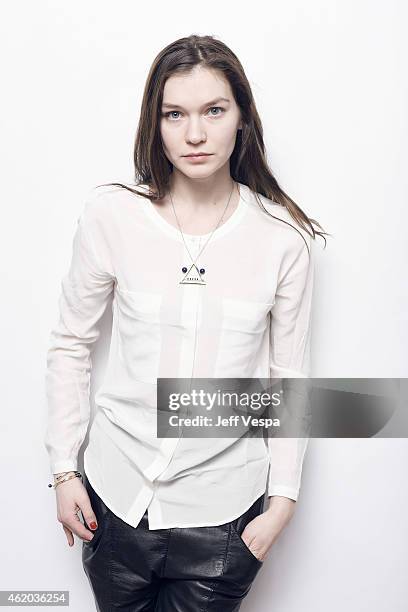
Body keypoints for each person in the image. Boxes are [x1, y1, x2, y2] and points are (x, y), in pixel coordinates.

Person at [44, 34, 327, 612]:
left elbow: (288, 380)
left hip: (224, 523)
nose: (194, 134)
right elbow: (71, 343)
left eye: (213, 111)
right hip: (115, 506)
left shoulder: (282, 241)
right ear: (156, 122)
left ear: (242, 117)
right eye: (175, 114)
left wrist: (283, 503)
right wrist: (64, 471)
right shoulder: (111, 216)